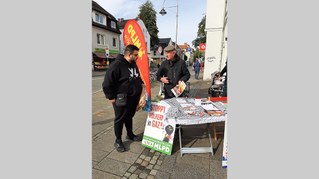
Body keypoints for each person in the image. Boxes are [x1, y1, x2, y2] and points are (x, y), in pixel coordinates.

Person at [102, 44, 143, 152]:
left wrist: (141, 84)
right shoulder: (116, 65)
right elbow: (107, 83)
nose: (137, 57)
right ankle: (118, 140)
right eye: (135, 55)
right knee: (119, 119)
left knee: (129, 117)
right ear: (129, 54)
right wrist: (110, 97)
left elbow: (136, 77)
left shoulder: (134, 64)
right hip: (121, 98)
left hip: (133, 98)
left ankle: (130, 134)